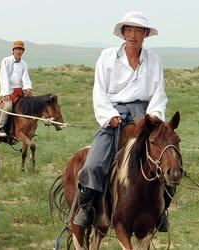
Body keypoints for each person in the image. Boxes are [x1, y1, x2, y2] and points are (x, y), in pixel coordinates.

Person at [73, 11, 174, 232]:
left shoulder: (154, 60)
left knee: (168, 157)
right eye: (129, 30)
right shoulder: (107, 57)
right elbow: (99, 90)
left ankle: (161, 210)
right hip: (114, 112)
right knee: (94, 163)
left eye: (138, 30)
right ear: (123, 33)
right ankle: (87, 208)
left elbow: (159, 92)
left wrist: (155, 115)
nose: (133, 35)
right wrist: (109, 116)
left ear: (145, 34)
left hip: (144, 114)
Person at [0, 40, 33, 144]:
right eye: (17, 49)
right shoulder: (6, 61)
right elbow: (3, 77)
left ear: (23, 51)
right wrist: (6, 92)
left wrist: (28, 88)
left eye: (21, 50)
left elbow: (26, 78)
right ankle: (0, 128)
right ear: (13, 50)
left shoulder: (24, 64)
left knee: (30, 104)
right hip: (8, 90)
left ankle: (28, 129)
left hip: (19, 90)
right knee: (8, 107)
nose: (19, 51)